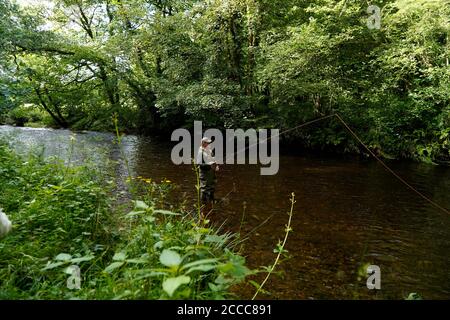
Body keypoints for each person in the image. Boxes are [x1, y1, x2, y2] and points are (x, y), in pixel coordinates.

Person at [196, 137, 219, 214]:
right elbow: (200, 164)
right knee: (204, 188)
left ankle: (211, 201)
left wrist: (216, 165)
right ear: (202, 143)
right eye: (206, 143)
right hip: (204, 172)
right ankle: (203, 204)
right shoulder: (200, 152)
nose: (208, 144)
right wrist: (209, 165)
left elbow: (213, 158)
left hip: (211, 171)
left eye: (209, 143)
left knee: (212, 185)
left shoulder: (209, 149)